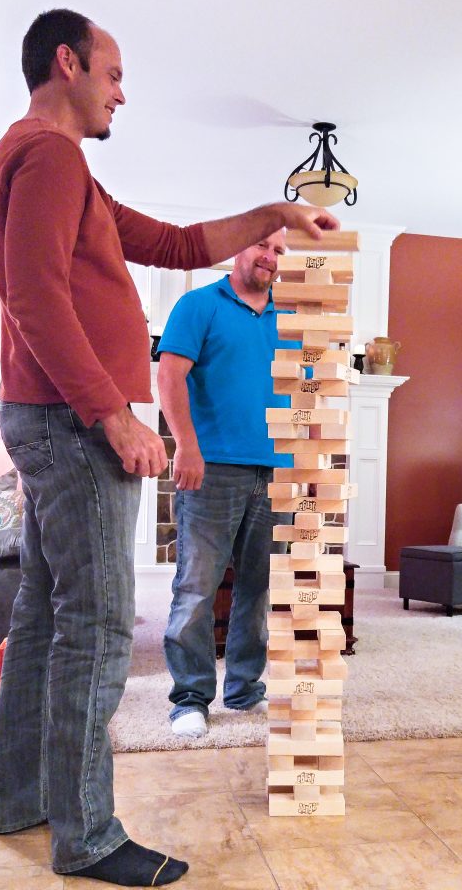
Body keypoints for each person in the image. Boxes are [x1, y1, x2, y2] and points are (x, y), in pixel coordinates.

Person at [0, 7, 338, 887]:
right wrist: (114, 412)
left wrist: (271, 212)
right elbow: (28, 294)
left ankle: (22, 799)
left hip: (49, 416)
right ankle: (88, 835)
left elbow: (176, 243)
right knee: (98, 626)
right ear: (67, 63)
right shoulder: (48, 152)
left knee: (43, 615)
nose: (121, 91)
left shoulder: (59, 170)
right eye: (112, 73)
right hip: (70, 424)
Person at [157, 229, 295, 736]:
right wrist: (186, 447)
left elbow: (306, 390)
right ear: (238, 248)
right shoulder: (199, 305)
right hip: (212, 467)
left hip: (278, 469)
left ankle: (244, 690)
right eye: (262, 245)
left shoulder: (294, 318)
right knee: (196, 586)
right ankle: (190, 699)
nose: (270, 256)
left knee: (259, 589)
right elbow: (169, 376)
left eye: (280, 250)